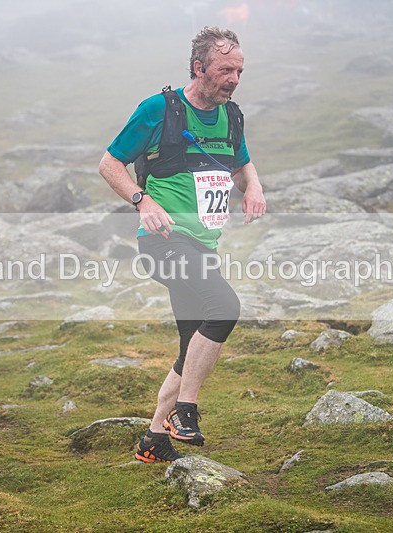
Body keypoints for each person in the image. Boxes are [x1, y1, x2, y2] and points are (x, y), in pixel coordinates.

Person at [98, 26, 267, 463]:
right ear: (198, 67)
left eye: (239, 71)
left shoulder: (232, 116)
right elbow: (109, 163)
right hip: (164, 242)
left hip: (202, 246)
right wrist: (142, 201)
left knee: (190, 345)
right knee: (224, 308)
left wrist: (253, 187)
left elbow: (242, 162)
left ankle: (154, 440)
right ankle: (185, 410)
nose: (234, 79)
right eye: (225, 70)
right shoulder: (159, 109)